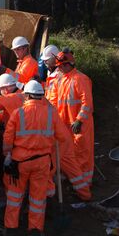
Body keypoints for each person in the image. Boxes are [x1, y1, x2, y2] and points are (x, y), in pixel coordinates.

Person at [2, 80, 69, 236]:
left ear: (28, 95)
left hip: (19, 163)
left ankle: (11, 229)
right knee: (38, 198)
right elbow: (64, 137)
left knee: (14, 197)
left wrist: (7, 156)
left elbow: (7, 139)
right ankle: (35, 230)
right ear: (40, 96)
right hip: (42, 163)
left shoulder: (18, 113)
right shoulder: (51, 114)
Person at [48, 49, 94, 191]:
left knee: (82, 155)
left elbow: (87, 103)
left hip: (80, 126)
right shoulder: (59, 81)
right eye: (59, 66)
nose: (59, 69)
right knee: (69, 156)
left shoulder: (81, 79)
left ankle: (85, 186)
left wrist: (79, 120)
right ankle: (74, 184)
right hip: (65, 126)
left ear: (68, 64)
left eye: (61, 66)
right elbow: (54, 103)